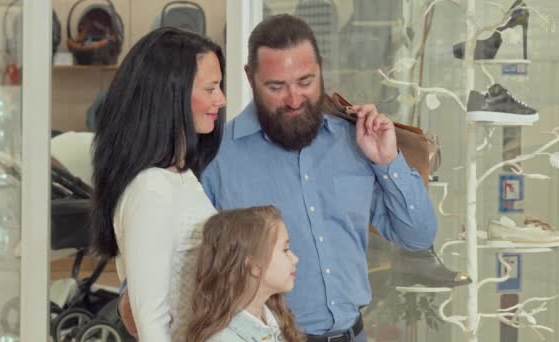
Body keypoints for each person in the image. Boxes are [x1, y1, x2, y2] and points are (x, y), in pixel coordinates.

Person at [199, 14, 437, 341]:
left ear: (321, 70)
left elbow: (419, 235)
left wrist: (388, 161)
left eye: (305, 82)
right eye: (276, 87)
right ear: (249, 78)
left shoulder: (356, 143)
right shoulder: (215, 159)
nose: (294, 99)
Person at [90, 27, 226, 341]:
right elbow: (150, 323)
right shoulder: (151, 189)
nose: (221, 99)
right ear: (172, 95)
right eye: (211, 88)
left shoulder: (181, 175)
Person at [180, 206, 304, 342]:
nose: (295, 258)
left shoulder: (273, 318)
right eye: (285, 250)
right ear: (254, 265)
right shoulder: (224, 339)